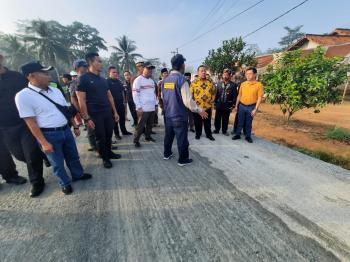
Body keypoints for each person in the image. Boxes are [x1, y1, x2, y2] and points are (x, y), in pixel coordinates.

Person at [15, 61, 92, 195]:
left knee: (73, 156)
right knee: (57, 163)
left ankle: (78, 174)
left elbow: (65, 111)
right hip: (49, 135)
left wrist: (74, 125)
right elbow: (30, 122)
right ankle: (65, 183)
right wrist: (43, 143)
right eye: (44, 73)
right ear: (31, 76)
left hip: (65, 130)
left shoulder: (55, 90)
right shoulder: (23, 96)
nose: (49, 76)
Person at [0, 54, 48, 197]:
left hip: (25, 123)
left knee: (31, 154)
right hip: (5, 127)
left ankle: (37, 183)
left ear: (1, 58)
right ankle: (43, 155)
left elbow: (33, 92)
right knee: (20, 156)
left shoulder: (17, 77)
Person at [76, 53, 121, 169]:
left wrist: (115, 112)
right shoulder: (83, 79)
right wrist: (86, 118)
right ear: (91, 63)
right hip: (95, 114)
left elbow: (109, 96)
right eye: (99, 61)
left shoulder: (102, 79)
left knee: (108, 135)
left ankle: (109, 153)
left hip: (107, 112)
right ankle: (105, 158)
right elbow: (81, 100)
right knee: (100, 137)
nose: (102, 64)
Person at [162, 54, 208, 166]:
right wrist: (199, 110)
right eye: (184, 64)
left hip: (168, 115)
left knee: (168, 136)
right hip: (179, 116)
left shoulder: (165, 80)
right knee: (182, 139)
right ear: (181, 65)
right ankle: (182, 159)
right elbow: (188, 101)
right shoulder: (182, 80)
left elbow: (164, 97)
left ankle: (166, 154)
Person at [232, 67, 264, 143]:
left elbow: (259, 98)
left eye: (250, 74)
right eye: (247, 74)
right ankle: (238, 134)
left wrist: (256, 109)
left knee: (248, 122)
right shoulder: (243, 84)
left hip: (251, 106)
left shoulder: (259, 85)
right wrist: (236, 106)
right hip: (242, 106)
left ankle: (248, 136)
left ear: (255, 74)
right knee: (240, 121)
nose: (247, 75)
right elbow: (239, 95)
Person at [132, 62, 157, 147]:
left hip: (151, 107)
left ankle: (147, 137)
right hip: (143, 108)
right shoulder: (138, 80)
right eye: (148, 68)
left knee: (150, 124)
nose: (150, 70)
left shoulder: (151, 81)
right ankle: (136, 140)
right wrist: (138, 107)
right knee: (140, 126)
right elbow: (135, 94)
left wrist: (156, 104)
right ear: (144, 68)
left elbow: (153, 94)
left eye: (151, 69)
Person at [190, 65, 216, 141]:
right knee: (197, 123)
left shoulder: (210, 81)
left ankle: (209, 135)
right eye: (201, 71)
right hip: (197, 107)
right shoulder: (193, 83)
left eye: (205, 70)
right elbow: (191, 95)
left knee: (207, 123)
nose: (203, 72)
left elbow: (214, 92)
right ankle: (198, 134)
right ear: (198, 72)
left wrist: (212, 101)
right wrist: (193, 106)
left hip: (207, 107)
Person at [107, 66, 132, 140]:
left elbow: (123, 91)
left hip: (120, 103)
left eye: (116, 72)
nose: (115, 74)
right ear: (109, 73)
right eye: (113, 72)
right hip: (112, 105)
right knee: (115, 120)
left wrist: (124, 101)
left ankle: (124, 131)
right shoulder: (107, 82)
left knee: (122, 118)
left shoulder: (118, 81)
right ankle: (117, 134)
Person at [214, 69, 238, 135]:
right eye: (224, 75)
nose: (225, 76)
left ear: (229, 76)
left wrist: (233, 105)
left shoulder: (233, 85)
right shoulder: (218, 84)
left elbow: (235, 96)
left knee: (225, 119)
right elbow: (216, 94)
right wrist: (215, 103)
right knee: (217, 118)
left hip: (227, 105)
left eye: (227, 75)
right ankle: (216, 129)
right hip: (219, 104)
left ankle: (224, 131)